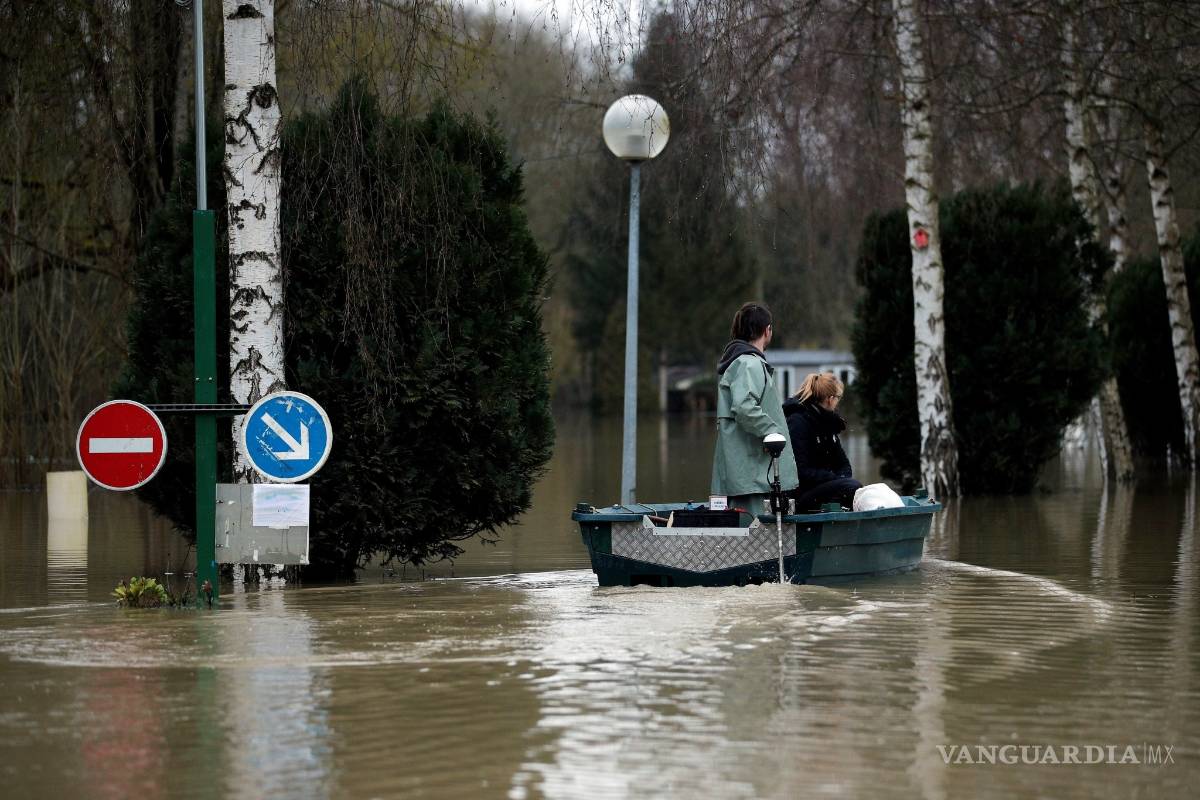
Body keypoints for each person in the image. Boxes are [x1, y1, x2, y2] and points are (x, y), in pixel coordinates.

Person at [711, 302, 798, 512]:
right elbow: (743, 407)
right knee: (754, 533)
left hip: (747, 475)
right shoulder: (748, 364)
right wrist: (773, 433)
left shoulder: (739, 362)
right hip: (751, 476)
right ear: (767, 330)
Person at [783, 372, 862, 510]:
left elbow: (843, 463)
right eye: (838, 398)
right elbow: (800, 471)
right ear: (830, 399)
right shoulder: (797, 422)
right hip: (801, 493)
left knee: (855, 488)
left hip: (824, 484)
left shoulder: (828, 423)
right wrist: (835, 478)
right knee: (851, 487)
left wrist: (841, 478)